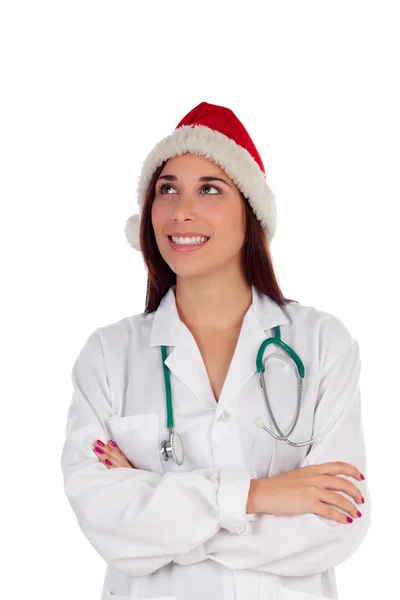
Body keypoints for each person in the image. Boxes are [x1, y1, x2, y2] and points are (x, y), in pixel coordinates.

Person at [61, 101, 371, 600]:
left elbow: (335, 524)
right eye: (167, 189)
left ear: (250, 210)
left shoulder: (321, 343)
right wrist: (259, 495)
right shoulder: (108, 355)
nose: (182, 210)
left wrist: (160, 518)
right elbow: (102, 517)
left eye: (210, 188)